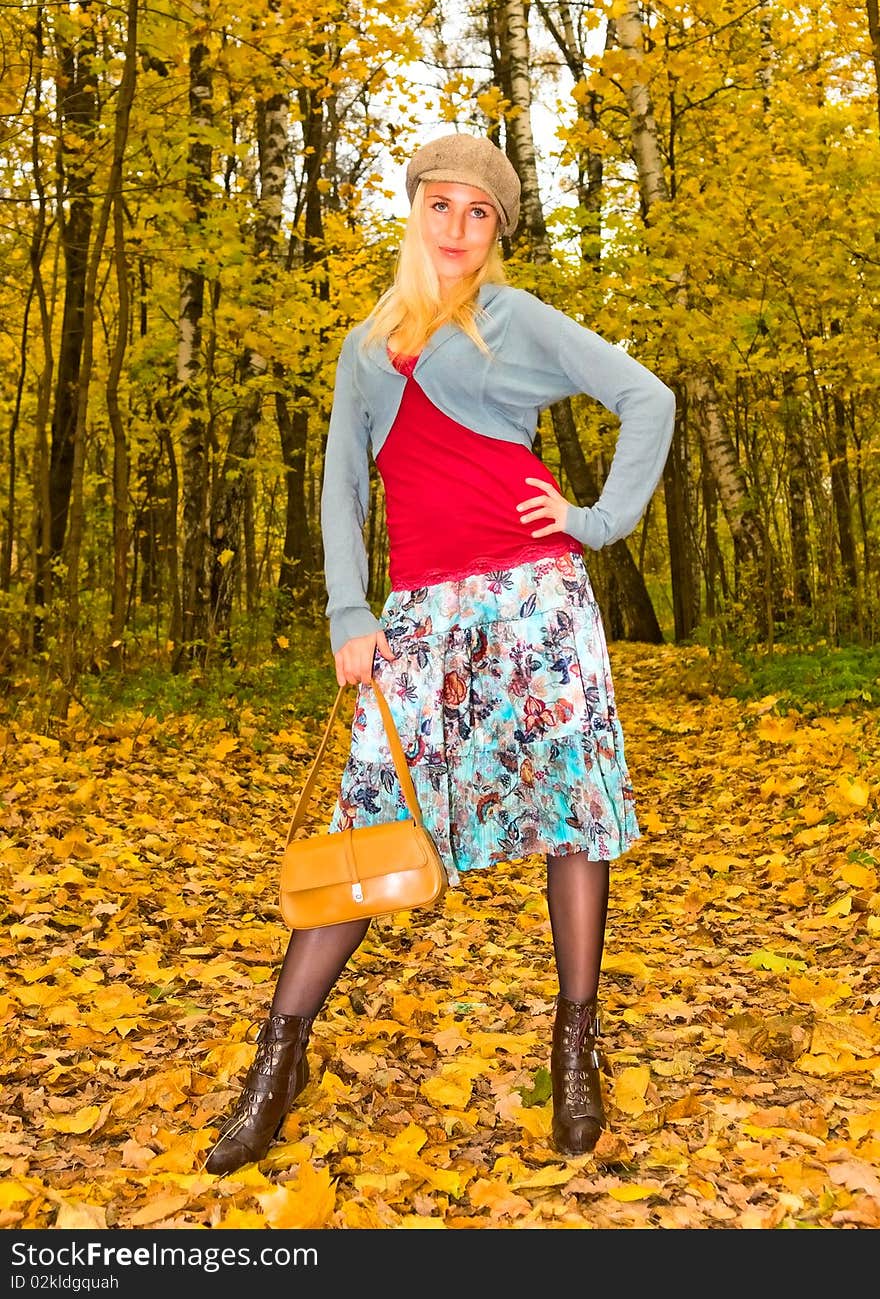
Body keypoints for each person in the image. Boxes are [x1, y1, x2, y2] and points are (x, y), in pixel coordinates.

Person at [204, 132, 676, 1175]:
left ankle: (575, 1055)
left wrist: (595, 521)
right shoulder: (366, 344)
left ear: (496, 231)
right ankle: (274, 1068)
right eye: (442, 205)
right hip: (417, 617)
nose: (458, 228)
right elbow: (342, 489)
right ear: (413, 211)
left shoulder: (512, 318)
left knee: (570, 813)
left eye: (480, 213)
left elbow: (649, 398)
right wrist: (346, 612)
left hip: (534, 601)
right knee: (371, 823)